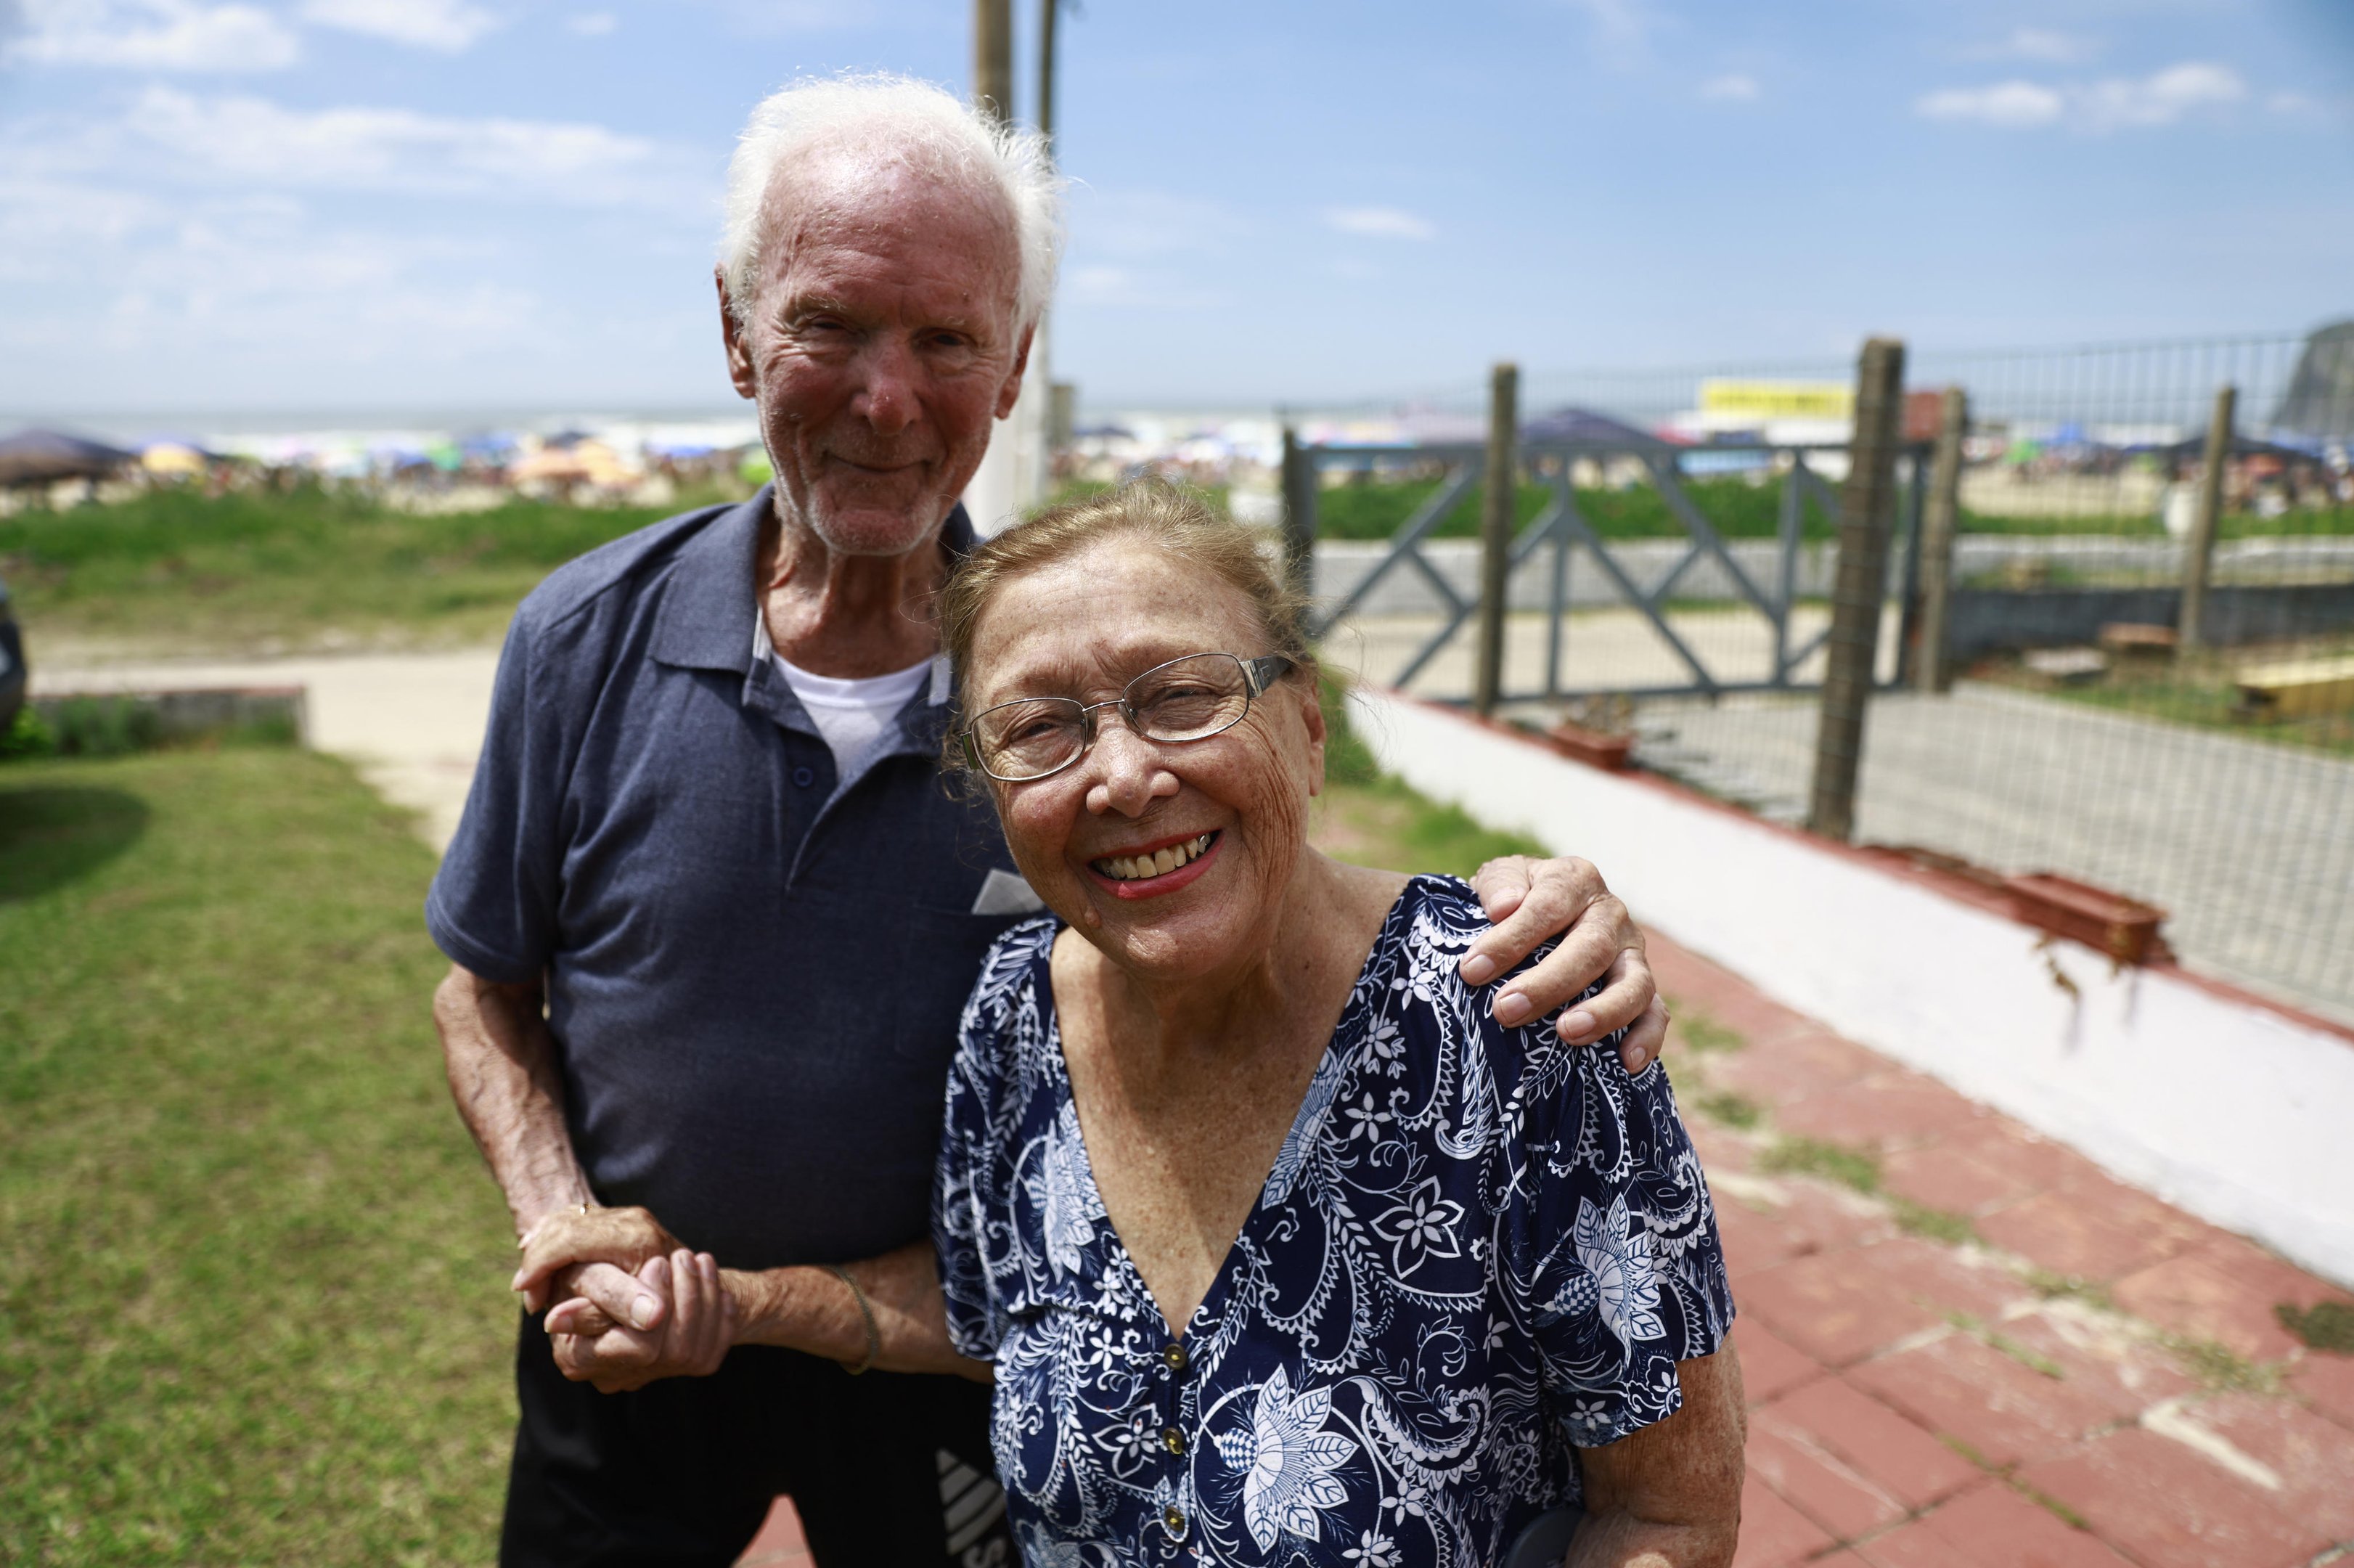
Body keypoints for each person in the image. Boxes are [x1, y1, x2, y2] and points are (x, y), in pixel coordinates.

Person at [445, 73, 1673, 1567]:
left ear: (1013, 363)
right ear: (734, 332)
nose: (886, 397)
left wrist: (1534, 908)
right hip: (629, 1341)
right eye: (828, 323)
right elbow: (483, 983)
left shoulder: (1058, 681)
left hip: (942, 1368)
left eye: (946, 338)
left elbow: (1260, 871)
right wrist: (562, 1222)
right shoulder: (581, 637)